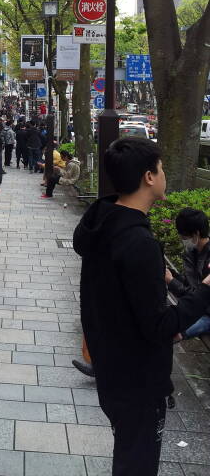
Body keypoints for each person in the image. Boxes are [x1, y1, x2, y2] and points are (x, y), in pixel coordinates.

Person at [73, 138, 210, 476]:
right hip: (137, 380)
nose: (163, 175)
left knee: (129, 455)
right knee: (137, 464)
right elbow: (160, 326)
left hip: (112, 369)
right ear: (149, 176)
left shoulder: (102, 225)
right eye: (161, 169)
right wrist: (206, 290)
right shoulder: (138, 242)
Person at [166, 208, 210, 339]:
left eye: (184, 236)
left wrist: (171, 281)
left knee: (175, 333)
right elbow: (191, 286)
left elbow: (200, 297)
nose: (182, 239)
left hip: (206, 312)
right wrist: (172, 275)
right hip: (196, 308)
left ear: (196, 234)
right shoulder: (191, 253)